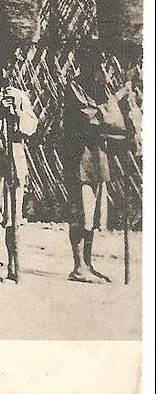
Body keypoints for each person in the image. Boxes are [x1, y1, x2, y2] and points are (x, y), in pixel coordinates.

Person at [62, 50, 129, 283]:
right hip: (80, 159)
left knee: (92, 214)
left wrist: (116, 106)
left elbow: (118, 125)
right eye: (96, 65)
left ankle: (88, 263)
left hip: (98, 158)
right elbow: (91, 117)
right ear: (86, 66)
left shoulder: (98, 89)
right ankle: (78, 265)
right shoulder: (74, 88)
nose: (100, 70)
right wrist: (115, 102)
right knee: (81, 212)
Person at [0, 54, 38, 283]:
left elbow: (31, 126)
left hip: (14, 160)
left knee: (14, 217)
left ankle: (14, 265)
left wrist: (17, 113)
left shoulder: (20, 96)